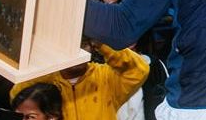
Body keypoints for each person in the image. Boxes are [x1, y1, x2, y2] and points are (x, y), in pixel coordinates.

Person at [10, 40, 149, 120]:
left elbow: (139, 70)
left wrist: (102, 42)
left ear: (92, 47)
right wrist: (51, 66)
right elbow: (16, 94)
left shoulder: (106, 77)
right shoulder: (46, 80)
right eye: (68, 45)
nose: (76, 51)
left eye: (83, 44)